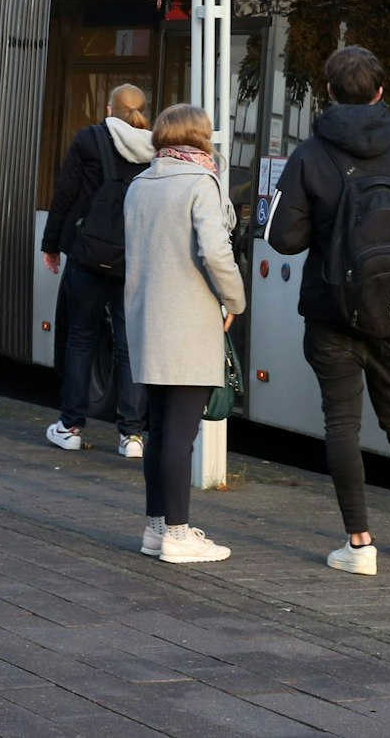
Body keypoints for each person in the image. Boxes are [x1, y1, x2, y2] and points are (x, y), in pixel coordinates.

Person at [266, 46, 390, 576]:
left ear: (328, 92)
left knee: (342, 425)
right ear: (380, 92)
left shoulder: (310, 152)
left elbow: (281, 237)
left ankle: (359, 544)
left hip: (331, 311)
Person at [125, 103, 246, 564]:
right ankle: (178, 533)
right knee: (180, 432)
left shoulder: (140, 184)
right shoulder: (201, 183)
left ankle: (157, 527)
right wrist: (235, 299)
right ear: (200, 137)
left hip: (147, 320)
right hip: (189, 322)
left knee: (160, 429)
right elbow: (215, 252)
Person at [41, 84, 156, 457]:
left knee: (80, 338)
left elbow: (65, 193)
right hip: (132, 259)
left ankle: (70, 427)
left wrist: (51, 245)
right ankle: (132, 435)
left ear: (110, 109)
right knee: (128, 344)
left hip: (87, 255)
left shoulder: (90, 139)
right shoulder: (155, 147)